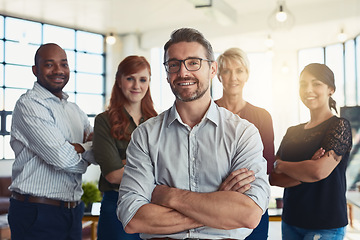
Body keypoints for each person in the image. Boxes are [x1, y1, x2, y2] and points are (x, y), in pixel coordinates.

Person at [117, 27, 270, 240]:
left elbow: (249, 214)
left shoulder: (243, 133)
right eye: (174, 64)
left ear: (212, 69)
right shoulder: (145, 135)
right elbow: (134, 218)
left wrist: (168, 196)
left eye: (193, 62)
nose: (183, 72)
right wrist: (219, 205)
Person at [8, 43, 95, 240]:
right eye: (49, 64)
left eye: (63, 64)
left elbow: (98, 153)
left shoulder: (75, 110)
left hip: (73, 211)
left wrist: (79, 148)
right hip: (36, 211)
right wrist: (84, 151)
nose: (58, 70)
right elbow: (63, 159)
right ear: (35, 70)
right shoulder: (29, 105)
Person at [269, 63, 352, 240]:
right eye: (303, 84)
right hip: (291, 220)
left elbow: (318, 171)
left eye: (316, 83)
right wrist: (306, 168)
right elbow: (274, 178)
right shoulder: (292, 131)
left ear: (330, 89)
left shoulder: (339, 126)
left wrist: (281, 164)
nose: (308, 89)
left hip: (326, 225)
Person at [93, 55, 157, 240]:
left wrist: (126, 163)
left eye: (142, 79)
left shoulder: (157, 121)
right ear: (119, 81)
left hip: (152, 205)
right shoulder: (103, 121)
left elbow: (170, 168)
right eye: (130, 78)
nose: (137, 85)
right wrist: (150, 165)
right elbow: (113, 174)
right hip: (116, 206)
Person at [215, 47, 275, 240]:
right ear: (218, 75)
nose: (233, 77)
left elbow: (267, 162)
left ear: (247, 75)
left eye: (239, 70)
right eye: (227, 71)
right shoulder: (206, 113)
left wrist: (235, 182)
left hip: (253, 202)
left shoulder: (262, 116)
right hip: (215, 202)